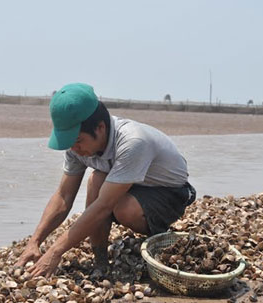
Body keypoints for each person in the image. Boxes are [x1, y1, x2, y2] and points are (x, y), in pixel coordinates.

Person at [16, 83, 196, 278]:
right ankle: (101, 260)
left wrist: (55, 252)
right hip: (132, 183)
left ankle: (158, 236)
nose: (74, 149)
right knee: (97, 179)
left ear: (100, 128)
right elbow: (63, 196)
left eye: (77, 141)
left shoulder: (133, 142)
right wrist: (35, 242)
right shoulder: (76, 148)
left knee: (120, 207)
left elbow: (103, 206)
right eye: (69, 142)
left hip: (169, 192)